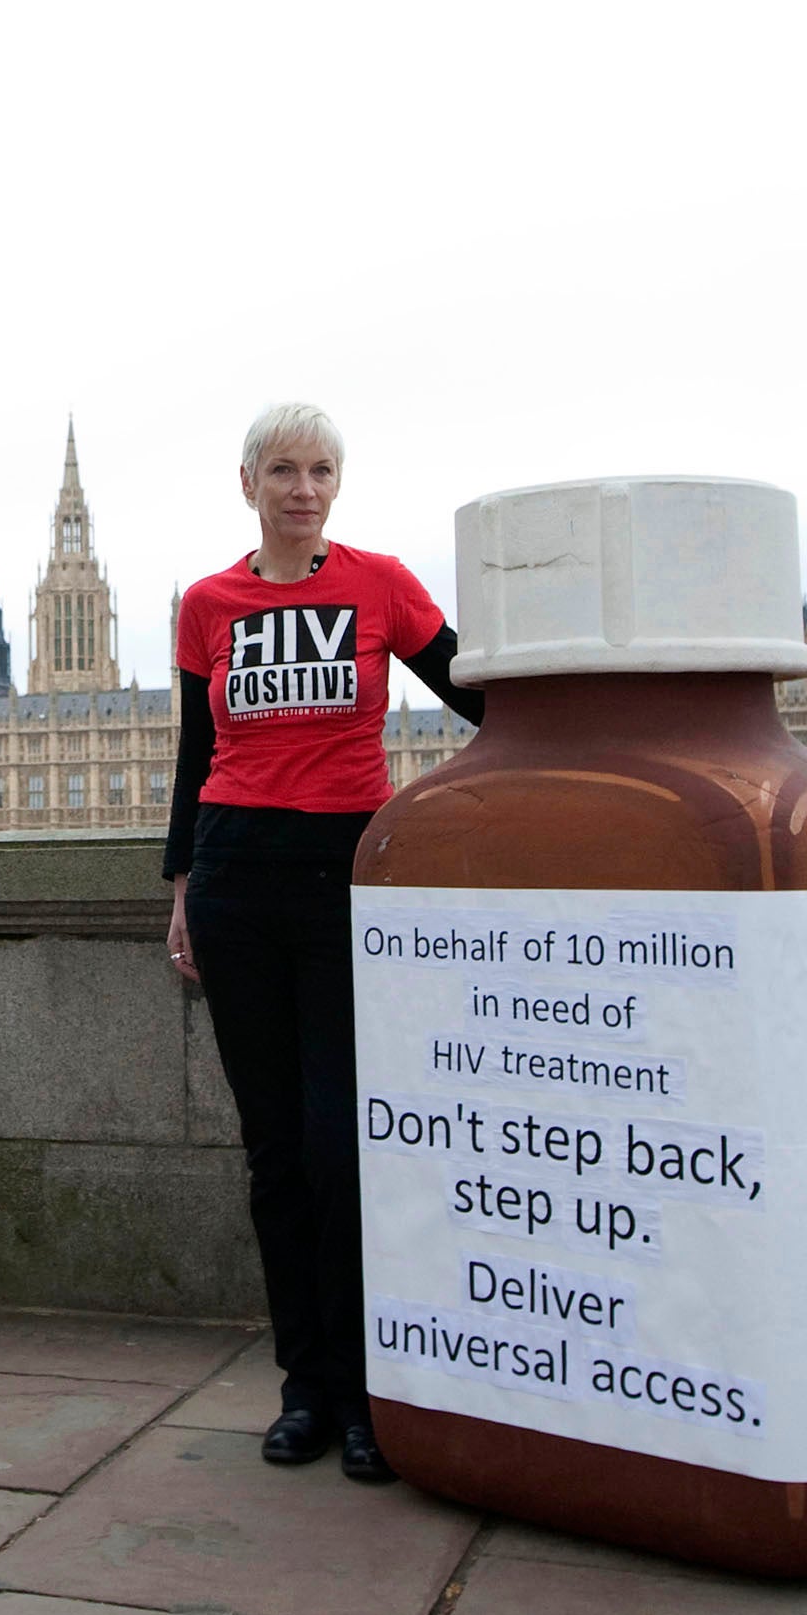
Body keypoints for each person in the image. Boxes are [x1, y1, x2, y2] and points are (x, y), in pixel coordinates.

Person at [163, 401, 485, 1483]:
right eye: (284, 469)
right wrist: (180, 891)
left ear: (337, 484)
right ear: (247, 480)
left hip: (345, 881)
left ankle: (364, 1394)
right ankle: (304, 1389)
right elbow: (194, 753)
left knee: (340, 1146)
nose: (304, 488)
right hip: (232, 883)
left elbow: (475, 692)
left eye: (322, 470)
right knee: (271, 1158)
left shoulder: (382, 584)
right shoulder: (207, 605)